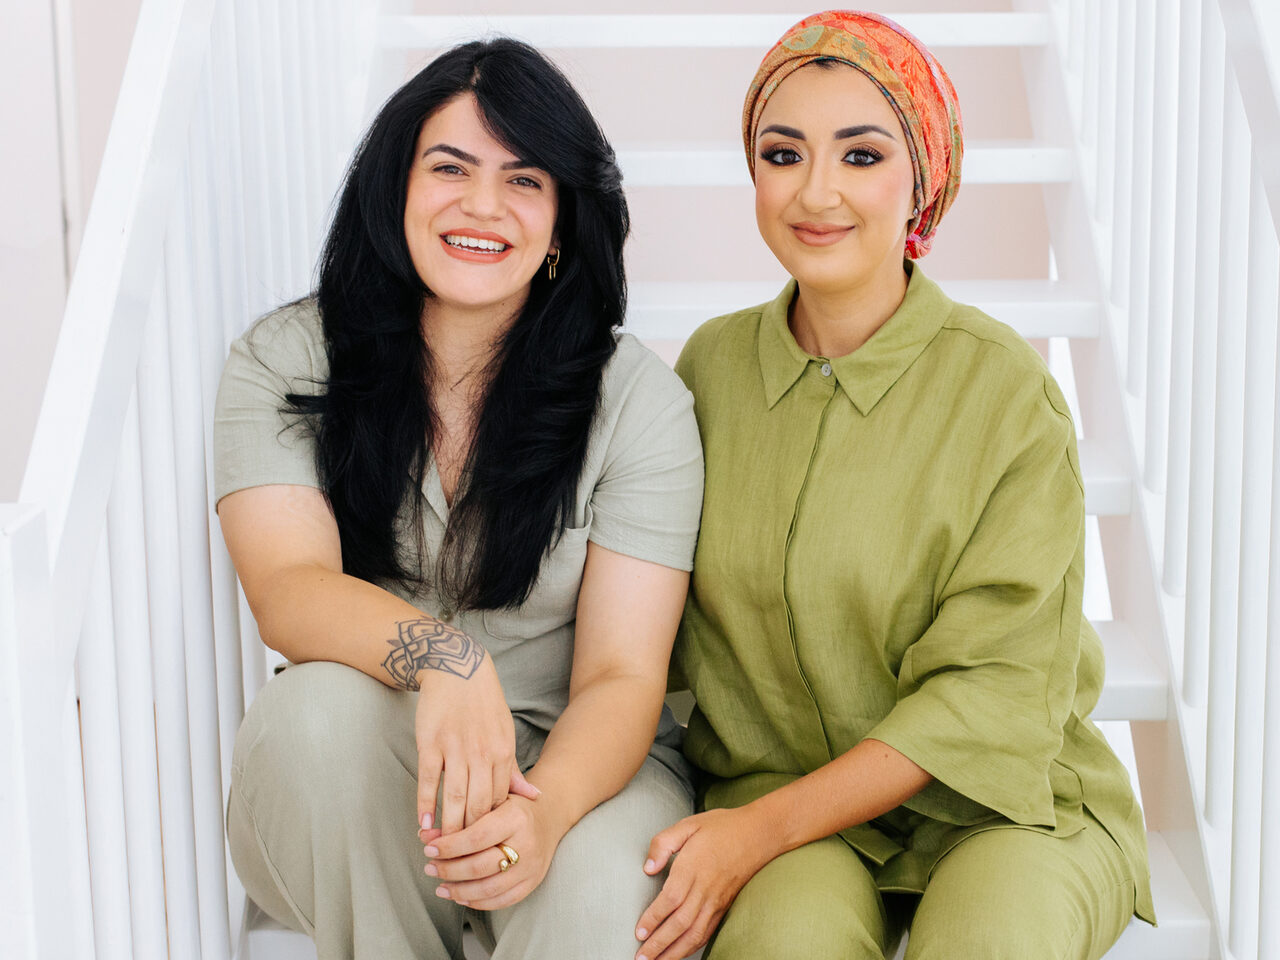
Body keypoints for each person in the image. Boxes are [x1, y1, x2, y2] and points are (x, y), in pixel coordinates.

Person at [632, 11, 1155, 960]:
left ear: (922, 179)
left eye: (862, 155)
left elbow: (988, 692)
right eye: (783, 153)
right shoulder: (710, 370)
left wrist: (756, 832)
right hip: (782, 804)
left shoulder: (1006, 391)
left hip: (1003, 806)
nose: (816, 191)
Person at [213, 38, 703, 960]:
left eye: (524, 180)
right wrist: (448, 661)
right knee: (313, 718)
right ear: (395, 184)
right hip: (367, 769)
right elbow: (287, 589)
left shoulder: (638, 401)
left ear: (560, 224)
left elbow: (622, 675)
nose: (483, 205)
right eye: (450, 167)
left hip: (573, 767)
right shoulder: (288, 358)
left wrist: (546, 813)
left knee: (608, 892)